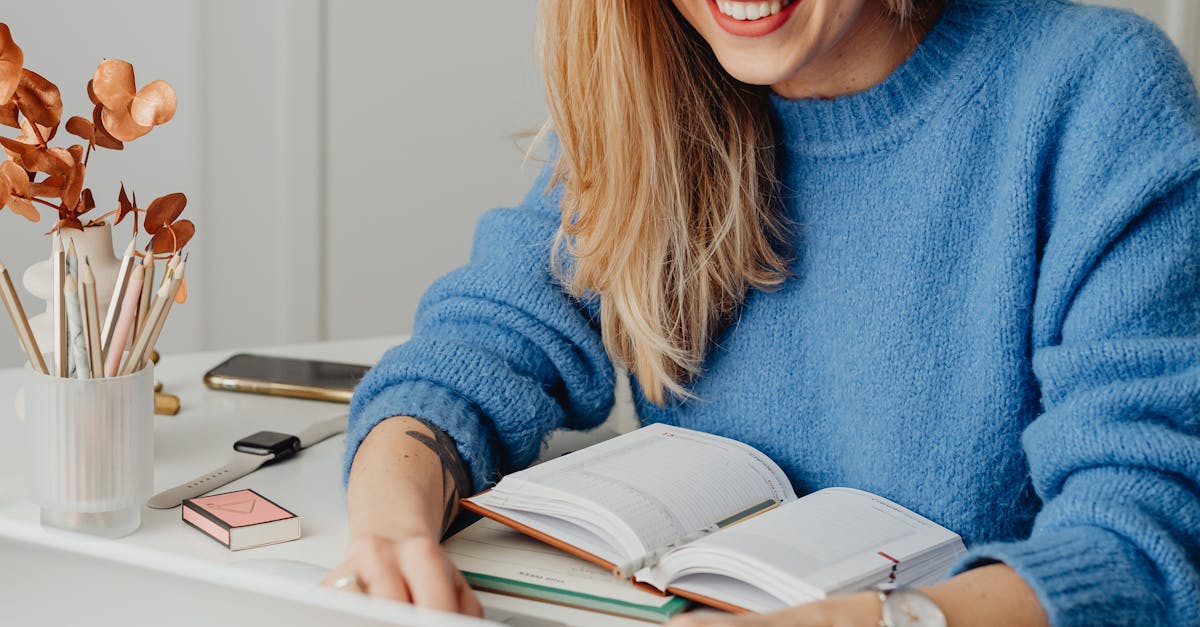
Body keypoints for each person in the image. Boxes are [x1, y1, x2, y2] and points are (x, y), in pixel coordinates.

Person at [324, 0, 1200, 625]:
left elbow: (1143, 541)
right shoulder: (658, 87)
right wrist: (393, 527)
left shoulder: (1095, 94)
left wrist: (885, 620)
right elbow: (473, 353)